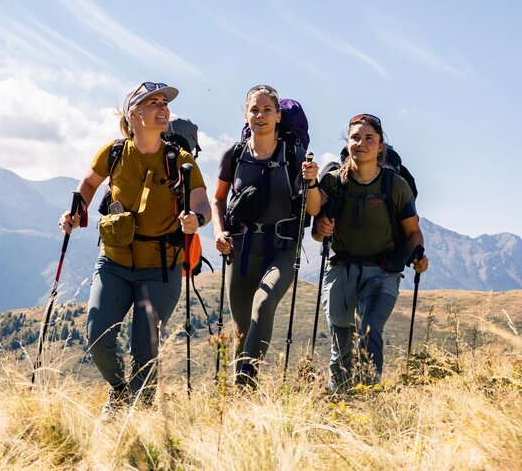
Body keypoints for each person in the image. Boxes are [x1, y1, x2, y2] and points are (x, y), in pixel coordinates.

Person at [59, 81, 211, 415]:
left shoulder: (179, 159)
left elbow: (203, 204)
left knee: (144, 350)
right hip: (113, 262)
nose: (163, 108)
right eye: (153, 102)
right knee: (98, 337)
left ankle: (141, 419)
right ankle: (119, 391)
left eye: (164, 103)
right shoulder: (113, 153)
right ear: (134, 114)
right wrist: (76, 211)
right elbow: (88, 183)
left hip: (161, 268)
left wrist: (196, 220)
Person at [210, 84, 320, 383]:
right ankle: (242, 395)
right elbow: (218, 199)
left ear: (278, 116)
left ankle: (246, 377)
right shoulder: (234, 155)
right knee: (243, 328)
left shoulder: (295, 156)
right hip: (241, 249)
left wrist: (312, 181)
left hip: (281, 249)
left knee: (264, 301)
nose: (260, 115)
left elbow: (312, 209)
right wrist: (219, 232)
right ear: (245, 115)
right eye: (254, 109)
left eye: (267, 110)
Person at [313, 114, 429, 391]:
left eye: (369, 139)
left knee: (369, 327)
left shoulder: (395, 185)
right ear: (348, 143)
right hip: (341, 266)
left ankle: (369, 394)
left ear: (380, 147)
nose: (361, 143)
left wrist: (418, 255)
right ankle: (339, 396)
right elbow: (317, 234)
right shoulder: (332, 183)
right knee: (341, 333)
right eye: (355, 138)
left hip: (383, 271)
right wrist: (321, 227)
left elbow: (412, 231)